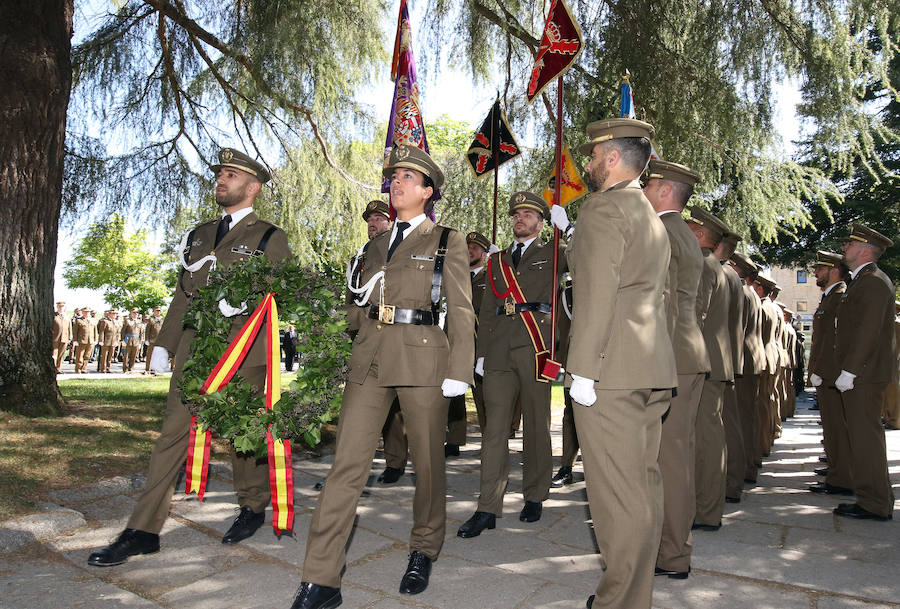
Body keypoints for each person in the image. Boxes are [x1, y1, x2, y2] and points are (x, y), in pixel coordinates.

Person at [87, 147, 292, 567]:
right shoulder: (199, 235)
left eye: (231, 175)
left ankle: (252, 505)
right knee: (171, 434)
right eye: (220, 174)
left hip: (242, 350)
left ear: (252, 187)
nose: (221, 180)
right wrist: (165, 343)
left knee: (241, 436)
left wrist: (247, 302)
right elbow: (183, 293)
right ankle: (143, 530)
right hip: (195, 348)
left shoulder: (269, 236)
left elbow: (283, 290)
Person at [291, 145, 474, 609]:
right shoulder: (373, 245)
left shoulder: (446, 240)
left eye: (409, 177)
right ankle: (321, 578)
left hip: (422, 357)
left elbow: (461, 308)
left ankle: (424, 548)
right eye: (394, 176)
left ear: (428, 191)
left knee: (427, 463)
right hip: (370, 357)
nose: (397, 182)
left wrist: (460, 369)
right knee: (346, 466)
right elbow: (357, 307)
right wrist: (320, 321)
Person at [565, 118, 676, 609]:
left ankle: (620, 602)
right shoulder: (647, 212)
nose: (587, 164)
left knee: (616, 498)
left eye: (593, 156)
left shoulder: (604, 208)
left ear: (611, 158)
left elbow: (597, 294)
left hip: (610, 370)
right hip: (648, 366)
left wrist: (584, 369)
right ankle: (634, 596)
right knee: (642, 490)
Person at [457, 192, 563, 537]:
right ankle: (488, 506)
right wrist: (481, 353)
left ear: (541, 223)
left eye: (528, 214)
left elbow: (588, 261)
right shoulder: (497, 261)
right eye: (517, 214)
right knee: (494, 430)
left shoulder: (555, 252)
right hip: (500, 350)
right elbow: (487, 310)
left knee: (536, 425)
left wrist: (569, 230)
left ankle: (535, 495)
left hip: (536, 347)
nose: (520, 218)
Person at [642, 160, 710, 579]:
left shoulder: (664, 232)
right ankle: (674, 548)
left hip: (672, 356)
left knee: (668, 460)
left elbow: (663, 304)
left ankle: (671, 553)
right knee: (677, 455)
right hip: (687, 352)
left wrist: (654, 361)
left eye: (649, 185)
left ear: (665, 191)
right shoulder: (681, 232)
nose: (644, 191)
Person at [832, 224, 895, 521]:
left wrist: (851, 371)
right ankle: (870, 497)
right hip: (862, 374)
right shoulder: (863, 281)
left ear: (865, 250)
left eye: (851, 243)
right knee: (860, 437)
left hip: (864, 375)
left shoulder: (873, 282)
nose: (845, 247)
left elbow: (868, 332)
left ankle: (875, 503)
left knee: (865, 438)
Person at [348, 199, 408, 484]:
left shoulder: (399, 253)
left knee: (393, 407)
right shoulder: (359, 258)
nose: (373, 224)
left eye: (379, 218)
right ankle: (351, 468)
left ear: (391, 222)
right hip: (363, 337)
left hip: (392, 337)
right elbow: (351, 299)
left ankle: (396, 461)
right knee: (357, 407)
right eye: (370, 220)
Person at [685, 207, 733, 530]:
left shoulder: (702, 264)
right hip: (714, 362)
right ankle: (707, 507)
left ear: (700, 234)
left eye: (689, 227)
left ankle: (705, 510)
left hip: (703, 364)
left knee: (704, 441)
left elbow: (694, 317)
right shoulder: (715, 265)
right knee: (709, 437)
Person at [807, 250, 853, 495]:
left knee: (837, 427)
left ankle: (842, 479)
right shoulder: (830, 297)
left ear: (834, 271)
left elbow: (834, 340)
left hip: (831, 374)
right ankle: (837, 471)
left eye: (820, 268)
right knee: (831, 427)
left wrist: (822, 370)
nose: (816, 272)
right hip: (826, 374)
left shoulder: (839, 297)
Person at [444, 230, 491, 457]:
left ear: (484, 254)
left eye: (475, 248)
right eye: (467, 248)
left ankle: (490, 442)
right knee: (454, 394)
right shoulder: (455, 274)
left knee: (484, 396)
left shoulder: (491, 278)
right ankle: (454, 440)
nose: (469, 251)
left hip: (480, 342)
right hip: (455, 341)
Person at [728, 252, 766, 485]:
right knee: (747, 417)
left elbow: (736, 330)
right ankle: (749, 465)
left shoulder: (742, 293)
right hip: (751, 361)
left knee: (739, 420)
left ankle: (740, 471)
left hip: (743, 363)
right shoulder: (751, 294)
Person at [713, 232, 746, 504]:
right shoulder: (731, 275)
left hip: (715, 359)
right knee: (727, 424)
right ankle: (732, 482)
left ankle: (726, 484)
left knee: (717, 428)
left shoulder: (720, 273)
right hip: (726, 358)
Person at [71, 307, 93, 374]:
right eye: (85, 312)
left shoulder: (92, 320)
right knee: (79, 356)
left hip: (90, 341)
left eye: (88, 312)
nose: (87, 313)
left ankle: (84, 369)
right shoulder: (78, 320)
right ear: (82, 312)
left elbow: (94, 330)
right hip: (81, 340)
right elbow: (75, 331)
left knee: (87, 356)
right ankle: (78, 369)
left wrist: (95, 339)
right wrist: (75, 340)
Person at [121, 308, 142, 372]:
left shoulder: (139, 322)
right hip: (128, 340)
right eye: (134, 312)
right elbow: (123, 331)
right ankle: (125, 369)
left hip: (136, 340)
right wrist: (122, 340)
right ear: (131, 313)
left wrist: (140, 342)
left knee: (134, 355)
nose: (135, 314)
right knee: (126, 355)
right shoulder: (127, 321)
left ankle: (131, 368)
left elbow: (141, 332)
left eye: (137, 312)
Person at [52, 301, 70, 373]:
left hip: (64, 338)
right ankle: (53, 368)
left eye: (62, 306)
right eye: (60, 306)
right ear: (57, 307)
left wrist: (70, 337)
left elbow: (69, 328)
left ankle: (58, 368)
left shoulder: (67, 316)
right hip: (55, 338)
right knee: (54, 354)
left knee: (61, 355)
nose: (61, 308)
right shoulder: (54, 315)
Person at [144, 306, 163, 374]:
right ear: (154, 311)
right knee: (150, 355)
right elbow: (147, 330)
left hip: (159, 341)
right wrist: (146, 339)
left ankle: (155, 369)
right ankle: (147, 369)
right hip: (152, 340)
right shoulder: (151, 319)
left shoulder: (162, 320)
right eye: (157, 310)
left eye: (159, 311)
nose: (158, 312)